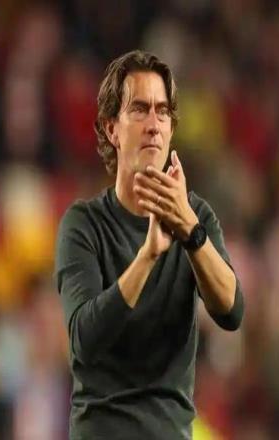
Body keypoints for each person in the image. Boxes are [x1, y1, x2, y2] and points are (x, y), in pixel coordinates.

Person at [54, 50, 244, 440]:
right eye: (140, 110)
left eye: (162, 112)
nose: (154, 125)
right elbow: (84, 341)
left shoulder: (196, 217)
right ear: (111, 128)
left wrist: (190, 232)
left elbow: (231, 311)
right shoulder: (84, 225)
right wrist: (149, 255)